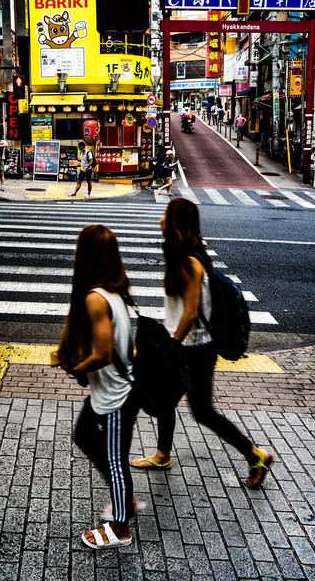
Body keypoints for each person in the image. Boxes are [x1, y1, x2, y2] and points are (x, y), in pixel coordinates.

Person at [130, 198, 273, 490]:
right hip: (193, 347)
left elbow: (191, 310)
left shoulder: (189, 261)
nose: (160, 218)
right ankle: (162, 455)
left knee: (197, 410)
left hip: (192, 349)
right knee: (168, 401)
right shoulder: (185, 252)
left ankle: (255, 453)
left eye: (165, 214)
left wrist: (171, 346)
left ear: (175, 223)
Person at [53, 225, 140, 549]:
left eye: (79, 246)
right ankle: (125, 500)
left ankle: (120, 528)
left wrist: (74, 367)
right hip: (112, 391)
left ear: (87, 254)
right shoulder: (113, 289)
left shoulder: (95, 297)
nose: (75, 251)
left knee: (116, 462)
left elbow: (103, 355)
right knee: (85, 436)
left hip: (115, 397)